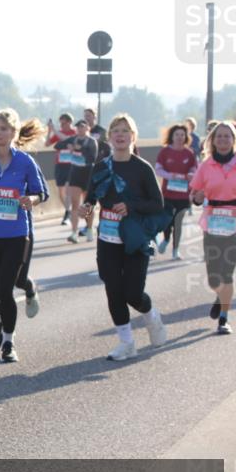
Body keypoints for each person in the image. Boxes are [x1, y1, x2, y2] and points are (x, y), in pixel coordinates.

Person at [78, 114, 169, 360]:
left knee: (133, 294)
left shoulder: (142, 168)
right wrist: (86, 208)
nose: (120, 135)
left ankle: (152, 317)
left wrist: (131, 206)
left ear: (133, 137)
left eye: (125, 130)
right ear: (109, 137)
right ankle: (126, 342)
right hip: (108, 239)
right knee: (113, 290)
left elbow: (157, 204)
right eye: (116, 130)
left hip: (134, 239)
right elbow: (91, 197)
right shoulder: (101, 167)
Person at [0, 108, 49, 363]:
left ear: (13, 132)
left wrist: (31, 200)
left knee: (6, 290)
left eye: (3, 129)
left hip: (17, 234)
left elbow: (42, 192)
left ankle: (8, 343)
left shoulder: (25, 162)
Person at [189, 121, 236, 335]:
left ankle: (223, 318)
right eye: (219, 136)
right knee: (214, 278)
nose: (222, 139)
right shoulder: (206, 165)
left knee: (226, 271)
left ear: (233, 140)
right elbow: (194, 195)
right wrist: (197, 197)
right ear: (212, 140)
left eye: (227, 136)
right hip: (213, 224)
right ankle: (220, 296)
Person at [155, 123, 198, 260]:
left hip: (183, 194)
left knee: (178, 222)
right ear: (172, 136)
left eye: (182, 135)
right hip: (168, 194)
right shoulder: (165, 152)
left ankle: (175, 250)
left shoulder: (189, 153)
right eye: (177, 135)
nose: (180, 137)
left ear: (186, 137)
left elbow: (194, 169)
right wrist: (170, 175)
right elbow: (158, 169)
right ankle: (166, 239)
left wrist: (190, 174)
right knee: (168, 221)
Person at [55, 120, 99, 243]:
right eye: (78, 127)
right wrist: (68, 146)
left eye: (82, 127)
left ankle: (89, 229)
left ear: (87, 128)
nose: (80, 129)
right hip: (75, 174)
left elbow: (92, 158)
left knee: (88, 205)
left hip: (88, 174)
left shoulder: (91, 141)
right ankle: (74, 233)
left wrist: (79, 149)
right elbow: (57, 146)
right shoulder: (73, 139)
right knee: (75, 204)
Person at [46, 113, 77, 225]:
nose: (62, 126)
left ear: (69, 122)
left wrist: (54, 130)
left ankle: (67, 213)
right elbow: (47, 143)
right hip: (60, 165)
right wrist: (49, 131)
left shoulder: (75, 132)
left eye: (63, 123)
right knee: (61, 192)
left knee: (68, 189)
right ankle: (69, 210)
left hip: (71, 164)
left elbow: (66, 138)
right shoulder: (58, 132)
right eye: (60, 124)